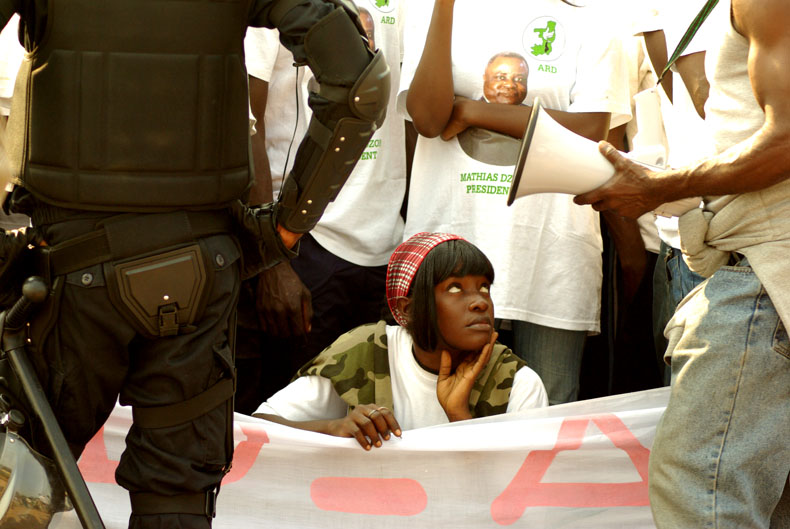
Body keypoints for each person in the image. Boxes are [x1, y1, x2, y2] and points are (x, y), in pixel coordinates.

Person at [0, 1, 389, 527]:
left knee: (15, 481)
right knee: (176, 500)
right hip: (198, 267)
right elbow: (359, 81)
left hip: (73, 267)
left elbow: (358, 83)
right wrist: (284, 228)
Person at [575, 0, 790, 525]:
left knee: (698, 491)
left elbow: (785, 140)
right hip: (759, 262)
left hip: (764, 271)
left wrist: (664, 186)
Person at [399, 0, 630, 405]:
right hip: (450, 250)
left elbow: (592, 130)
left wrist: (472, 111)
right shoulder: (433, 11)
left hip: (551, 257)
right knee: (438, 414)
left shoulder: (591, 20)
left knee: (543, 423)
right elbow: (429, 119)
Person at [238, 0, 407, 412]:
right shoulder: (279, 7)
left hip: (386, 247)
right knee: (287, 419)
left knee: (368, 427)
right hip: (303, 242)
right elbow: (248, 123)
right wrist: (272, 261)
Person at [253, 232, 548, 450]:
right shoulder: (367, 349)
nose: (480, 302)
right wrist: (333, 428)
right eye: (455, 288)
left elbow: (525, 493)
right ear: (408, 309)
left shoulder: (517, 381)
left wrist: (460, 417)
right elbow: (256, 428)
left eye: (484, 287)